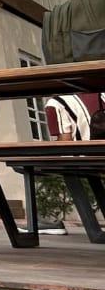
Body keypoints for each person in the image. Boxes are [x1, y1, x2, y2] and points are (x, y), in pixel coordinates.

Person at [42, 93, 105, 234]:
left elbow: (65, 141)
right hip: (98, 156)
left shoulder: (57, 102)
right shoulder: (101, 96)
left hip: (86, 158)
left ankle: (48, 222)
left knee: (32, 164)